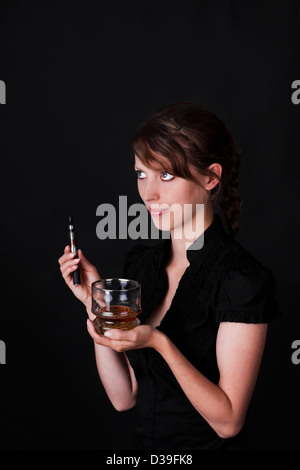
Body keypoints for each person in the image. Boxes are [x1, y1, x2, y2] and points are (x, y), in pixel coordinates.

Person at [58, 102, 281, 450]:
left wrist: (160, 343)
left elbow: (229, 422)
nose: (149, 194)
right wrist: (95, 305)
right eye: (141, 173)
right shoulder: (142, 264)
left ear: (211, 177)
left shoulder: (241, 280)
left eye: (166, 175)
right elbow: (124, 397)